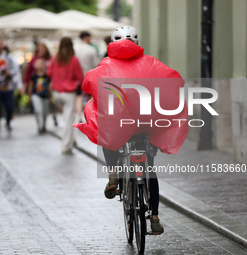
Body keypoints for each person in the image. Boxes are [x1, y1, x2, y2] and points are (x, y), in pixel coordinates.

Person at [74, 27, 189, 235]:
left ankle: (113, 174)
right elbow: (172, 81)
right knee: (150, 170)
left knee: (105, 131)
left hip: (122, 124)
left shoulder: (107, 64)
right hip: (147, 125)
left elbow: (91, 82)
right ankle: (154, 218)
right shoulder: (151, 63)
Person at [47, 37, 84, 155]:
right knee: (68, 120)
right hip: (69, 94)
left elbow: (49, 73)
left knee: (67, 118)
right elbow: (81, 77)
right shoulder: (74, 60)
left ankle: (72, 140)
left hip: (57, 93)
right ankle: (66, 146)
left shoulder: (55, 59)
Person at [74, 32, 98, 123]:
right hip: (88, 76)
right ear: (87, 37)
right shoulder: (91, 49)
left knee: (78, 97)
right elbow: (95, 64)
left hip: (76, 78)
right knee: (89, 97)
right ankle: (89, 116)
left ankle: (79, 115)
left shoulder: (74, 48)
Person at [28, 58, 51, 134]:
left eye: (41, 64)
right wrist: (29, 96)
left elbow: (48, 86)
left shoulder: (46, 76)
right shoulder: (34, 76)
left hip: (45, 96)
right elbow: (31, 86)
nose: (40, 66)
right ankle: (40, 126)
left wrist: (50, 96)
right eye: (38, 64)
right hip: (36, 95)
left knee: (45, 112)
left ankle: (43, 125)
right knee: (38, 110)